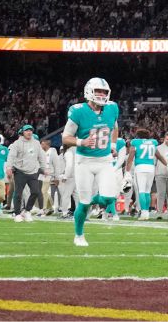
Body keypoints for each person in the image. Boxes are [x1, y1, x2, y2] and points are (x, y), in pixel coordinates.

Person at [62, 77, 120, 247]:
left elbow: (115, 127)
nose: (102, 95)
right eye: (98, 91)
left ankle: (88, 204)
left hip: (104, 160)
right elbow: (65, 137)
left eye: (104, 92)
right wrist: (81, 142)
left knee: (109, 198)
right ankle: (78, 235)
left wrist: (114, 144)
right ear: (89, 92)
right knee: (85, 201)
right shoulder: (78, 111)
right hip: (85, 161)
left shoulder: (112, 108)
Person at [9, 125, 49, 223]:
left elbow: (41, 156)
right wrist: (9, 167)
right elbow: (11, 156)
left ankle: (27, 211)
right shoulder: (17, 143)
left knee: (35, 192)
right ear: (23, 132)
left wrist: (44, 168)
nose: (29, 132)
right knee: (18, 194)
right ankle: (17, 214)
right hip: (20, 171)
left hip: (33, 171)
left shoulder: (36, 143)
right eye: (27, 130)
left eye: (31, 130)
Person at [128, 128, 168, 220]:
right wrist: (166, 164)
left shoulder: (135, 142)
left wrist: (127, 171)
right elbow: (159, 155)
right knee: (147, 191)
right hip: (151, 168)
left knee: (141, 191)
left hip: (140, 167)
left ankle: (144, 212)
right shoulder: (153, 143)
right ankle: (147, 212)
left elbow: (130, 158)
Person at [40, 140, 58, 215]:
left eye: (42, 144)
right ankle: (50, 208)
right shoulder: (41, 152)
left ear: (46, 144)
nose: (40, 145)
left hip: (50, 175)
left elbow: (56, 165)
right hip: (42, 175)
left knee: (44, 191)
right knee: (43, 191)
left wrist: (56, 177)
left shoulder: (52, 153)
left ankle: (44, 209)